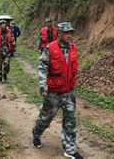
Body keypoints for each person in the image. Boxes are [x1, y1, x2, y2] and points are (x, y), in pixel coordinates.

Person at [32, 22, 82, 159]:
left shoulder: (73, 48)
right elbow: (42, 68)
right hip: (53, 93)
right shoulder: (50, 48)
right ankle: (36, 133)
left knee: (70, 121)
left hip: (68, 93)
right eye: (66, 33)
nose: (69, 36)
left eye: (71, 33)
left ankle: (70, 150)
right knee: (45, 118)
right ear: (59, 33)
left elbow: (73, 69)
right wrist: (43, 86)